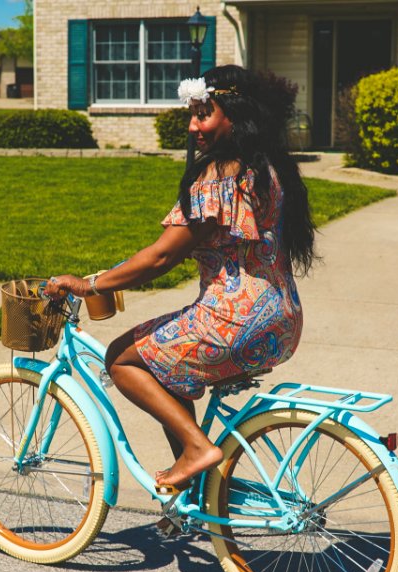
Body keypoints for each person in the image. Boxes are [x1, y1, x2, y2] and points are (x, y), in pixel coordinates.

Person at [43, 65, 316, 495]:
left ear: (235, 116)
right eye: (192, 114)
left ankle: (196, 450)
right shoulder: (271, 170)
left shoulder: (220, 176)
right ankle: (195, 490)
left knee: (121, 358)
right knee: (167, 366)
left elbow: (162, 255)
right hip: (282, 322)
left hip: (232, 322)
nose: (193, 126)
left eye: (203, 113)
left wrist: (91, 284)